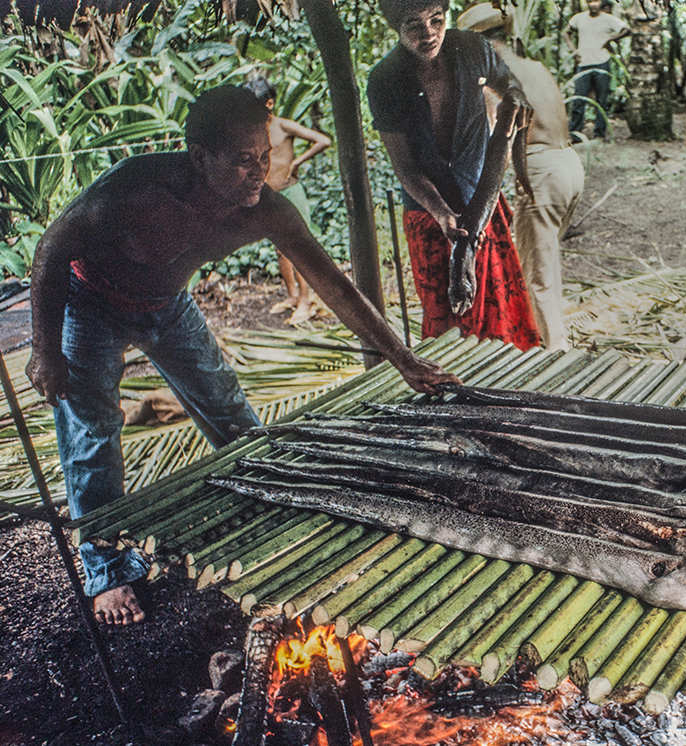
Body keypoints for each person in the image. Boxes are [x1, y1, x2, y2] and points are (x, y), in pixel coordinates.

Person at [25, 86, 458, 627]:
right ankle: (108, 571)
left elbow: (333, 284)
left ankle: (263, 499)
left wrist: (401, 357)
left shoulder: (267, 211)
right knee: (92, 434)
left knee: (227, 406)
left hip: (167, 304)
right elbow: (51, 248)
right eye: (242, 161)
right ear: (199, 156)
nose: (258, 171)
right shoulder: (137, 189)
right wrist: (45, 349)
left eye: (264, 156)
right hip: (89, 302)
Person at [367, 0, 540, 351]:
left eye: (436, 19)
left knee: (498, 321)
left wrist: (512, 114)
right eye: (414, 25)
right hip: (427, 214)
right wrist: (443, 215)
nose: (429, 33)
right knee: (448, 329)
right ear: (395, 28)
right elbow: (406, 169)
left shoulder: (472, 48)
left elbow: (514, 90)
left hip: (482, 204)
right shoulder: (385, 80)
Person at [458, 4, 584, 351]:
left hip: (541, 170)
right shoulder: (535, 67)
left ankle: (555, 353)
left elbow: (494, 142)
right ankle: (556, 337)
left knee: (537, 276)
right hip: (569, 164)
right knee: (546, 260)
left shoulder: (495, 81)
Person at [245, 77, 332, 325]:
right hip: (267, 196)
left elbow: (323, 140)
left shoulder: (282, 126)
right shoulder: (252, 132)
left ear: (269, 103)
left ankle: (307, 301)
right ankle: (293, 295)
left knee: (299, 249)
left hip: (289, 192)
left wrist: (296, 162)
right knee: (280, 247)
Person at [564, 0, 629, 141]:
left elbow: (626, 30)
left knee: (602, 100)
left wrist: (610, 39)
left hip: (602, 63)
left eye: (596, 1)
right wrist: (573, 51)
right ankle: (575, 134)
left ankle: (599, 134)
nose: (593, 4)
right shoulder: (579, 18)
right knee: (579, 99)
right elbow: (566, 32)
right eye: (590, 1)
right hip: (583, 63)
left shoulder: (608, 19)